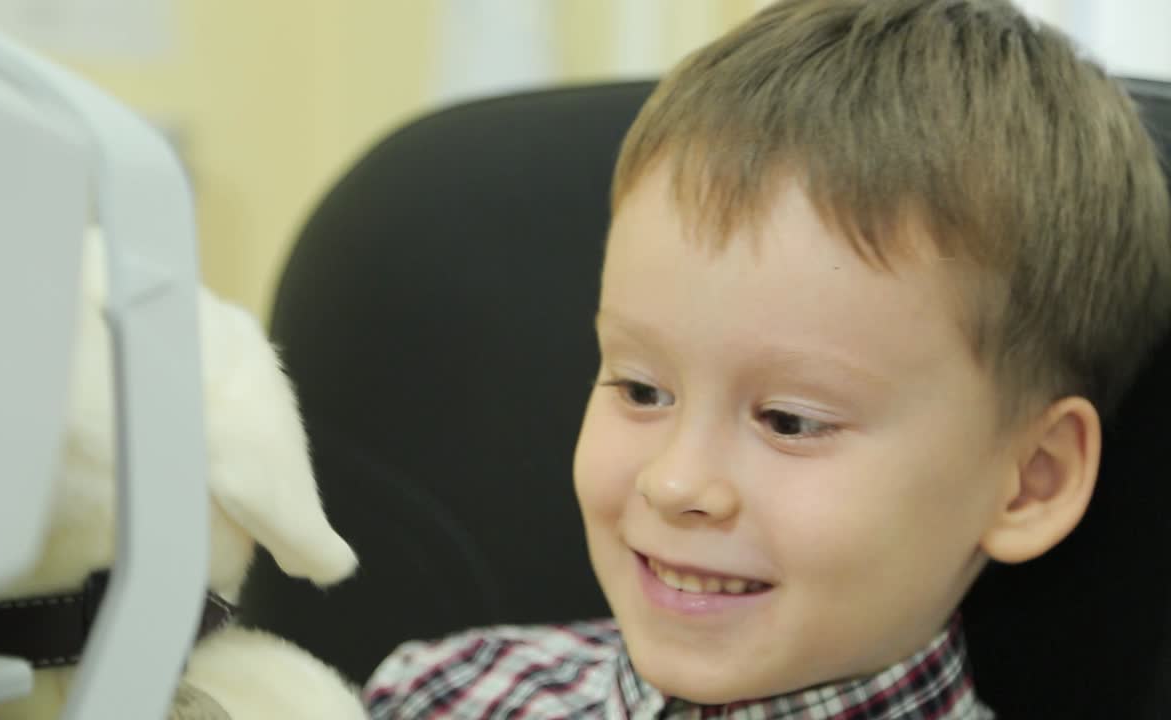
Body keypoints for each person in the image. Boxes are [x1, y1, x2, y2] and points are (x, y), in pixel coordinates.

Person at [362, 0, 1171, 717]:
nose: (674, 483)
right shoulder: (437, 696)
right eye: (641, 390)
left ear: (1032, 481)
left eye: (791, 420)